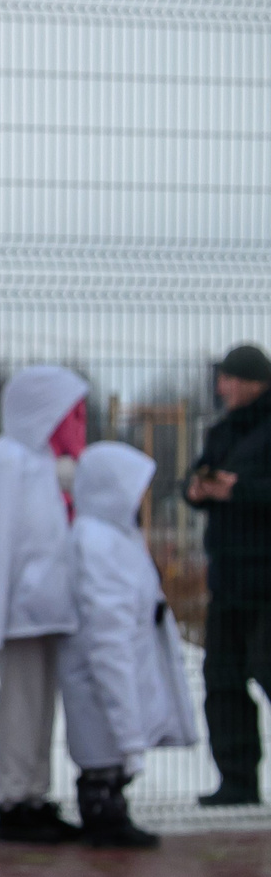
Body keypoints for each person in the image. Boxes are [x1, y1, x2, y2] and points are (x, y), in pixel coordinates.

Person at [0, 364, 89, 842]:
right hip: (18, 611)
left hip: (50, 610)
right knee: (20, 705)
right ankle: (14, 799)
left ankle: (36, 794)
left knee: (42, 709)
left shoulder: (47, 466)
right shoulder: (2, 462)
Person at [60, 443, 199, 847]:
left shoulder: (117, 535)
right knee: (103, 735)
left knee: (114, 735)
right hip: (105, 661)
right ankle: (102, 810)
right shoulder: (96, 540)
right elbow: (106, 621)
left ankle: (113, 802)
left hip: (127, 654)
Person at [185, 342, 271, 805]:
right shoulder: (221, 432)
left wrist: (242, 489)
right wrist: (196, 489)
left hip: (267, 580)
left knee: (266, 669)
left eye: (230, 378)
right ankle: (236, 781)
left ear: (255, 382)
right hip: (228, 577)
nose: (222, 386)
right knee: (222, 679)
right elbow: (194, 475)